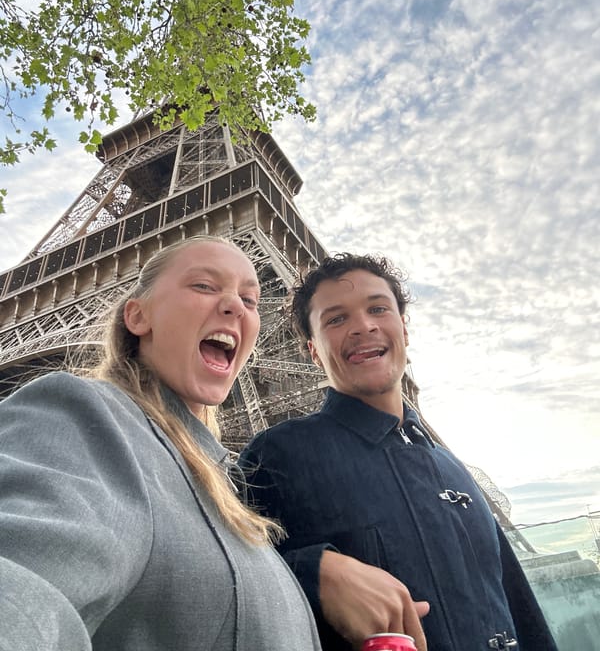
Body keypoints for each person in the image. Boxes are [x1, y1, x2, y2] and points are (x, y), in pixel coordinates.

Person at [0, 236, 322, 651]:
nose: (235, 305)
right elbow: (22, 580)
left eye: (250, 298)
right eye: (204, 286)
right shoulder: (87, 416)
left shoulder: (221, 485)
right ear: (137, 316)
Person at [240, 253, 558, 651]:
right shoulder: (275, 457)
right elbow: (226, 589)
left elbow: (519, 607)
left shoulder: (452, 467)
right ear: (313, 351)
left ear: (404, 330)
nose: (364, 326)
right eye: (336, 319)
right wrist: (310, 572)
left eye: (378, 308)